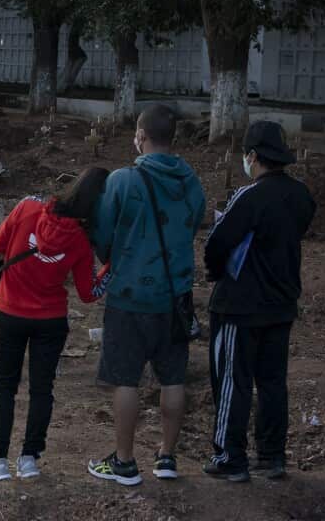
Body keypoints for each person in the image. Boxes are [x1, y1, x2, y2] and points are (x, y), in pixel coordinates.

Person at [88, 104, 206, 486]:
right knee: (173, 379)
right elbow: (192, 228)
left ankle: (123, 463)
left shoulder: (123, 181)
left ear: (140, 135)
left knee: (126, 380)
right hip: (176, 297)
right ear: (172, 139)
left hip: (129, 296)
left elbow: (102, 235)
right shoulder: (191, 182)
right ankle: (167, 458)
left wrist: (119, 257)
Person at [202, 121, 315, 482]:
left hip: (240, 306)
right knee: (271, 382)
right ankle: (272, 456)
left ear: (252, 156)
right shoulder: (301, 196)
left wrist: (215, 271)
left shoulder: (249, 197)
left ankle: (230, 457)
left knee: (232, 381)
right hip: (281, 303)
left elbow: (216, 244)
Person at [0, 168, 111, 482]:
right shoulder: (82, 241)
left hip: (10, 312)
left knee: (4, 384)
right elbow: (88, 293)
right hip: (50, 320)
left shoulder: (27, 208)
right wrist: (112, 267)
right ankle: (29, 459)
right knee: (42, 389)